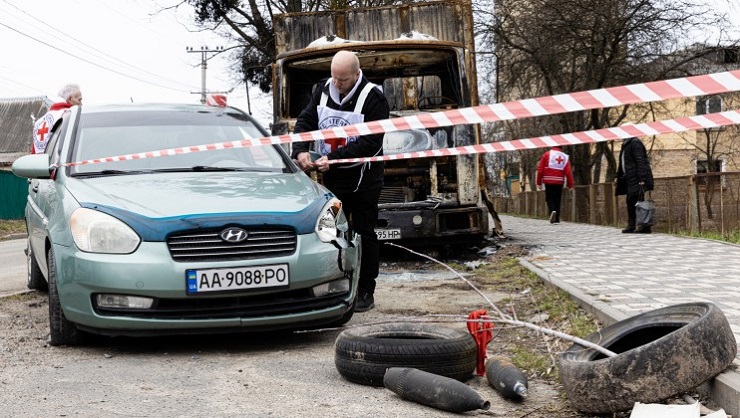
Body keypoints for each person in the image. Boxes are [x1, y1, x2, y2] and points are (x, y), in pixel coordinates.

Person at [291, 50, 389, 313]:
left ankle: (366, 289)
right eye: (334, 78)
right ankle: (331, 284)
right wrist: (300, 149)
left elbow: (371, 142)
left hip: (365, 178)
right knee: (330, 230)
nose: (337, 84)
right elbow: (306, 121)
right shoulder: (322, 89)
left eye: (343, 80)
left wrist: (333, 157)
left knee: (364, 231)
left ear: (356, 75)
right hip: (332, 179)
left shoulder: (374, 98)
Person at [616, 136, 654, 233]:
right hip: (630, 178)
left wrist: (642, 179)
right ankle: (632, 225)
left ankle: (643, 226)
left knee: (637, 201)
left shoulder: (635, 142)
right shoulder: (626, 143)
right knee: (631, 200)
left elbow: (640, 161)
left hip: (636, 178)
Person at [31, 84, 83, 154]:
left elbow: (33, 153)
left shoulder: (38, 122)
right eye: (79, 100)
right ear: (70, 99)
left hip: (39, 164)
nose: (81, 104)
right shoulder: (69, 117)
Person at [536, 146, 574, 224]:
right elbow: (568, 171)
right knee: (557, 199)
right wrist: (570, 184)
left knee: (549, 198)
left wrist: (539, 182)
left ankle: (552, 211)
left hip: (548, 180)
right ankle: (556, 218)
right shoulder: (564, 157)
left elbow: (540, 170)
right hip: (559, 181)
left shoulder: (546, 154)